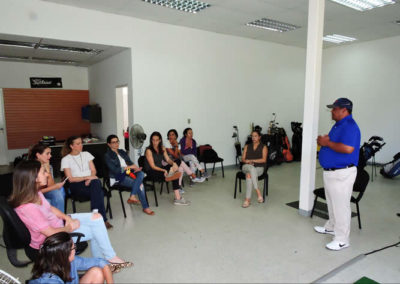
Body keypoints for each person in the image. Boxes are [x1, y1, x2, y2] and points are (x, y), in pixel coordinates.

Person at [9, 160, 132, 270]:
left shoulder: (34, 192)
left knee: (98, 217)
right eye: (43, 172)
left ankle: (108, 260)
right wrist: (69, 227)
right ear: (33, 177)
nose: (47, 174)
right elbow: (50, 233)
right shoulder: (28, 208)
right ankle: (108, 260)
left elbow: (50, 208)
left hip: (58, 223)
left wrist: (67, 218)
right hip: (51, 241)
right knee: (96, 229)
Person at [315, 98, 361, 251]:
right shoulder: (338, 125)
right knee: (331, 202)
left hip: (342, 173)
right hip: (331, 172)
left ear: (344, 110)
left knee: (341, 206)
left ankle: (342, 239)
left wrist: (326, 143)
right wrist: (324, 141)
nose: (331, 111)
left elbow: (348, 149)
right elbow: (333, 142)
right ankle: (331, 226)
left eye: (334, 109)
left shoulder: (350, 126)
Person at [60, 136, 112, 229]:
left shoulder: (86, 154)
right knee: (98, 191)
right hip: (76, 185)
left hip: (91, 182)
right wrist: (86, 177)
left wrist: (90, 178)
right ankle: (102, 219)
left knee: (95, 182)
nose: (81, 145)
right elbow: (70, 179)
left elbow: (93, 170)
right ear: (72, 146)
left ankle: (96, 217)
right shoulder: (66, 159)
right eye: (78, 144)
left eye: (81, 143)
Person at [29, 232, 114, 284]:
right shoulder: (48, 280)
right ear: (65, 254)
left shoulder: (69, 260)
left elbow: (101, 263)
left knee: (97, 272)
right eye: (74, 248)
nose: (75, 249)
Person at [104, 134, 154, 216]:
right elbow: (116, 170)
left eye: (117, 141)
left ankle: (132, 196)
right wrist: (130, 167)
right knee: (140, 184)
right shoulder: (107, 155)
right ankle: (145, 207)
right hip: (118, 177)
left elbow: (130, 163)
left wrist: (135, 168)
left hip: (128, 172)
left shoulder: (122, 152)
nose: (116, 144)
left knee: (141, 173)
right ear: (109, 144)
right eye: (113, 142)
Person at [144, 131, 190, 205]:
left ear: (160, 140)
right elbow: (153, 166)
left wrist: (174, 164)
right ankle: (177, 198)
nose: (155, 142)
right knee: (175, 173)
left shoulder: (162, 148)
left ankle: (170, 175)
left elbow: (168, 159)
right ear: (151, 140)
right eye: (153, 140)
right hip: (152, 171)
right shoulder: (148, 150)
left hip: (161, 169)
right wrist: (164, 170)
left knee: (177, 161)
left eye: (157, 140)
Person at [28, 144, 65, 212]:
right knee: (57, 193)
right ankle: (59, 218)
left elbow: (51, 185)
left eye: (50, 153)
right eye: (47, 153)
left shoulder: (48, 165)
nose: (50, 156)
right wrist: (55, 187)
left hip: (44, 191)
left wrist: (48, 170)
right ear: (38, 155)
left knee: (60, 190)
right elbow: (34, 192)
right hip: (33, 194)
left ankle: (57, 216)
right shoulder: (31, 168)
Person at [240, 130, 267, 208]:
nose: (253, 138)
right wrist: (248, 162)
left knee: (249, 175)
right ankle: (258, 191)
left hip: (259, 168)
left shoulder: (264, 147)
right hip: (246, 167)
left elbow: (264, 160)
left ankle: (247, 200)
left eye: (255, 136)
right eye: (252, 136)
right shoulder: (247, 146)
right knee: (251, 168)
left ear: (259, 137)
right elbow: (243, 159)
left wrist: (252, 161)